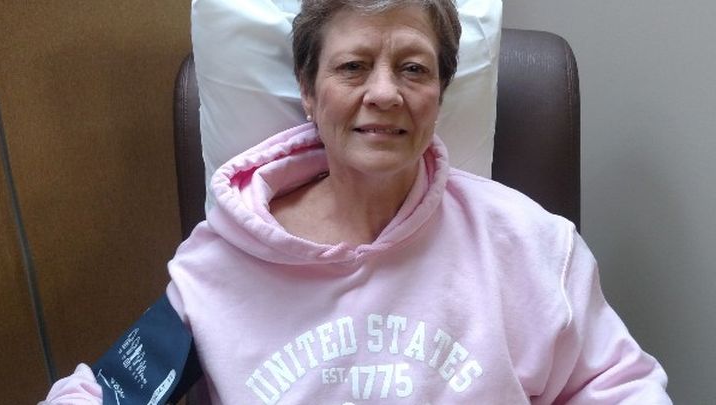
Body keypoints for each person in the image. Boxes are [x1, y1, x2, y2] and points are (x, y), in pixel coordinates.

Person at [44, 0, 672, 404]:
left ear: (440, 94)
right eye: (352, 67)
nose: (385, 93)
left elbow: (624, 387)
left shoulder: (530, 243)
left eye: (414, 69)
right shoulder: (219, 266)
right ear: (308, 91)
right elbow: (106, 393)